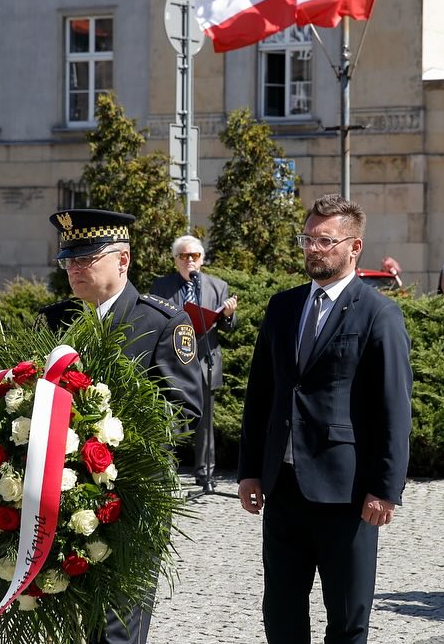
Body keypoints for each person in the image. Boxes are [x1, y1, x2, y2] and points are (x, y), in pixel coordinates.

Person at [237, 194, 413, 644]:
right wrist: (251, 471)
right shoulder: (283, 306)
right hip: (284, 488)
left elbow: (393, 409)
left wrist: (385, 489)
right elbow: (262, 394)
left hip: (347, 492)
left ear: (354, 247)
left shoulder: (379, 313)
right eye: (307, 238)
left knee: (348, 617)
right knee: (281, 612)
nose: (313, 248)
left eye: (325, 240)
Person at [39, 209, 205, 644]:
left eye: (86, 258)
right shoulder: (55, 322)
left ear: (123, 260)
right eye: (68, 260)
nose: (74, 268)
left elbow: (183, 413)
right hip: (54, 501)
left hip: (127, 502)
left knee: (116, 632)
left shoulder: (162, 323)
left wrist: (105, 436)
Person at [150, 235, 238, 489]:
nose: (190, 261)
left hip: (205, 361)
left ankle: (205, 475)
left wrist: (228, 315)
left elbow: (228, 326)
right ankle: (164, 471)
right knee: (169, 419)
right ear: (175, 260)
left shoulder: (217, 286)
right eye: (184, 256)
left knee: (205, 422)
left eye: (195, 256)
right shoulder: (162, 286)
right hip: (172, 363)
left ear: (202, 259)